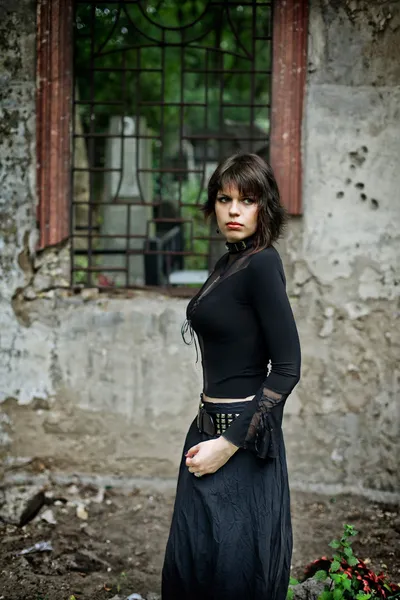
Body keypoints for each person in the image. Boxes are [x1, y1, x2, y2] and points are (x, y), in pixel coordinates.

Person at [161, 153, 301, 600]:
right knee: (195, 563)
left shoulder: (261, 264)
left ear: (265, 207)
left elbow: (287, 367)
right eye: (225, 199)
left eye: (248, 199)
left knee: (235, 574)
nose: (234, 210)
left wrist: (229, 443)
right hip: (205, 428)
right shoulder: (228, 263)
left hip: (243, 441)